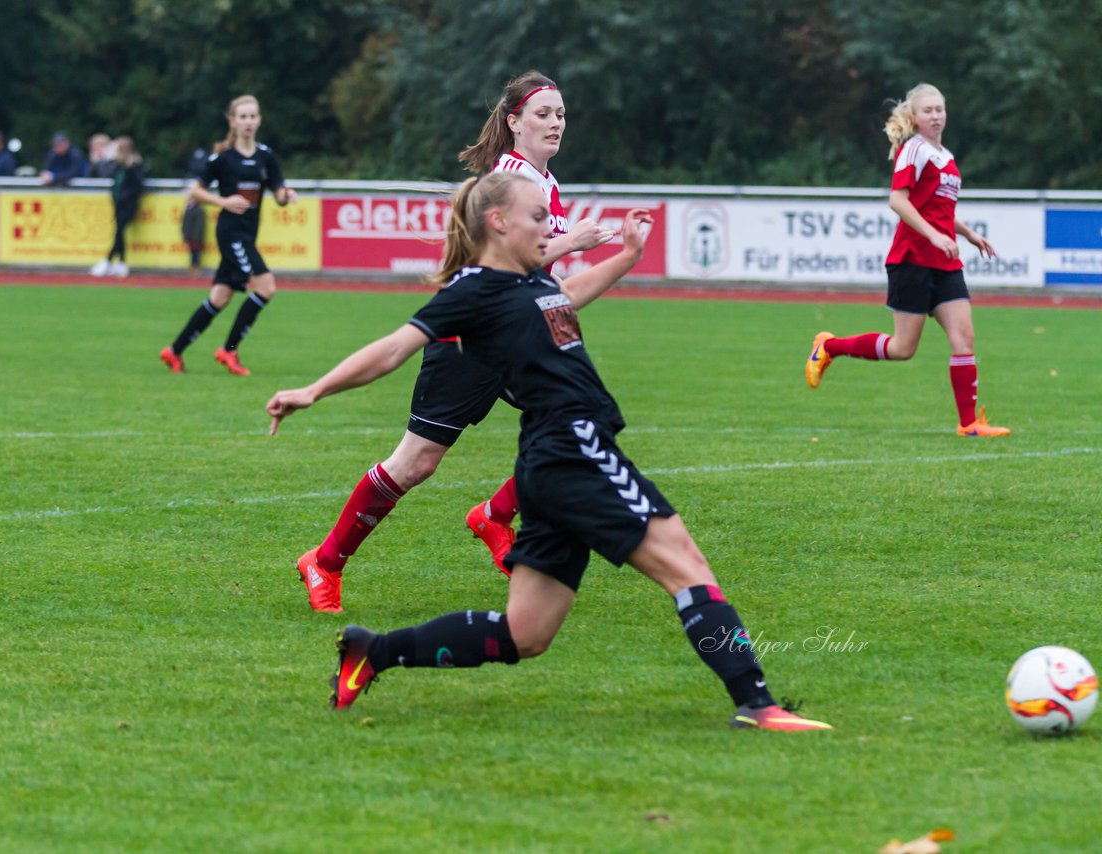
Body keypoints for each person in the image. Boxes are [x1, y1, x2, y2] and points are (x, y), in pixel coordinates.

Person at [267, 172, 831, 732]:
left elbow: (570, 296)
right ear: (498, 222)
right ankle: (757, 704)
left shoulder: (530, 281)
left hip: (549, 461)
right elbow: (393, 349)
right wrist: (312, 390)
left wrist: (628, 256)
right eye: (538, 217)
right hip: (573, 449)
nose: (549, 227)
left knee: (525, 633)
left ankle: (374, 652)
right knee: (689, 569)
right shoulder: (473, 290)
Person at [294, 70, 613, 614]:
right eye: (543, 114)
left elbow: (537, 282)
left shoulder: (546, 182)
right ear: (514, 122)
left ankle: (494, 515)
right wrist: (573, 241)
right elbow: (507, 263)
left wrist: (610, 261)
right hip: (471, 339)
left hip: (519, 336)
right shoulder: (508, 181)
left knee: (586, 424)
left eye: (561, 114)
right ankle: (324, 561)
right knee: (416, 463)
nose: (556, 123)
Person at [806, 83, 1010, 437]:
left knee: (964, 338)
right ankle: (829, 346)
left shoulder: (944, 154)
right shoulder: (913, 150)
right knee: (902, 349)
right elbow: (898, 200)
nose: (936, 115)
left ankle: (969, 424)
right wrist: (933, 235)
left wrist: (966, 233)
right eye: (928, 110)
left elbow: (938, 208)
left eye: (940, 109)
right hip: (912, 259)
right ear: (914, 117)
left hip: (945, 263)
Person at [159, 95, 297, 376]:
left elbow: (278, 192)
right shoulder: (222, 158)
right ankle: (229, 350)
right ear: (232, 121)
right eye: (242, 117)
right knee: (266, 288)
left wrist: (286, 195)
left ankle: (174, 351)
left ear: (259, 120)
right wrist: (223, 202)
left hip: (248, 233)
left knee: (219, 298)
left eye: (252, 116)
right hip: (232, 233)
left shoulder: (265, 156)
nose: (247, 122)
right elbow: (194, 191)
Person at [89, 137, 145, 277]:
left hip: (127, 204)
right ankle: (121, 262)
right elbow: (104, 173)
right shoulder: (118, 166)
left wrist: (125, 197)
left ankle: (108, 261)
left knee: (119, 231)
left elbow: (138, 187)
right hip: (119, 204)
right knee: (119, 233)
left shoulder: (134, 167)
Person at [181, 147, 210, 274]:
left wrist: (196, 236)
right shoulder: (189, 208)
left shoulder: (198, 210)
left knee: (195, 254)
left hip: (195, 237)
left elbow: (198, 225)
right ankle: (192, 267)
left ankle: (195, 268)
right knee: (192, 253)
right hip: (191, 236)